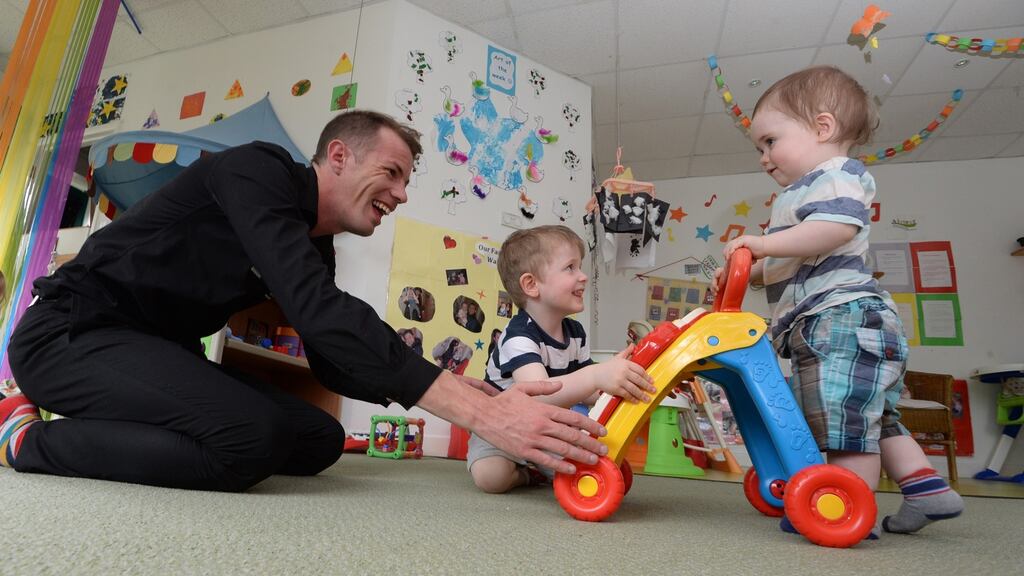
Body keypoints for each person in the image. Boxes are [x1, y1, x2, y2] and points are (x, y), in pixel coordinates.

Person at [0, 110, 608, 491]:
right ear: (338, 156)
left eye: (405, 182)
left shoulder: (313, 248)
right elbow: (320, 309)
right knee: (248, 440)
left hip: (155, 353)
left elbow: (328, 355)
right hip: (69, 335)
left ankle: (102, 417)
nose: (399, 195)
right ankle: (26, 441)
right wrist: (481, 416)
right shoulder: (255, 172)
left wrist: (454, 388)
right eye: (392, 173)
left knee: (315, 440)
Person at [712, 66, 963, 537]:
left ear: (822, 128)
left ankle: (849, 510)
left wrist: (763, 245)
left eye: (770, 141)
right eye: (759, 148)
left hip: (840, 319)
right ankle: (927, 490)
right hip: (841, 321)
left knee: (844, 421)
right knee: (874, 417)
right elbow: (797, 257)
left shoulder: (834, 176)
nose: (764, 157)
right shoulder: (799, 194)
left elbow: (836, 230)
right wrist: (747, 274)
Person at [469, 225, 655, 494]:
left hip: (549, 430)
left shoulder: (575, 333)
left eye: (580, 267)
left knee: (593, 467)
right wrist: (596, 375)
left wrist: (617, 381)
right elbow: (538, 396)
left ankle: (541, 467)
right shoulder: (517, 337)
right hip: (499, 432)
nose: (582, 276)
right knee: (491, 477)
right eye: (570, 268)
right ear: (531, 285)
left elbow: (589, 394)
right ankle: (525, 476)